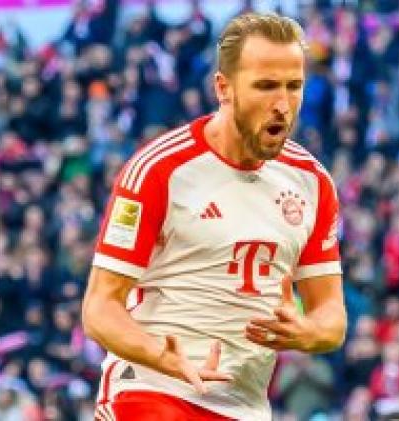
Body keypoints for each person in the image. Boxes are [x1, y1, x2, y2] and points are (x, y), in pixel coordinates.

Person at [81, 13, 347, 420]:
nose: (282, 105)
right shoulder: (160, 170)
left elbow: (332, 318)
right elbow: (100, 309)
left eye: (294, 86)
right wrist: (162, 356)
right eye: (266, 86)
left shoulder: (312, 182)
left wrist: (307, 332)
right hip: (152, 389)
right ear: (224, 88)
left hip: (243, 406)